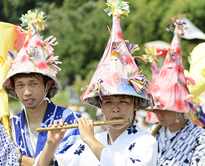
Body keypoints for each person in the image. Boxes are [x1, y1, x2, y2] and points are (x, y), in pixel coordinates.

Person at [35, 1, 157, 165]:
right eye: (108, 102)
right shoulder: (91, 142)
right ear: (100, 105)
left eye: (123, 101)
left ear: (135, 104)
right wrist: (51, 145)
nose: (115, 108)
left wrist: (90, 140)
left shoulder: (145, 141)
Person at [2, 10, 82, 166]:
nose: (26, 92)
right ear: (13, 88)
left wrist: (20, 159)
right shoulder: (9, 126)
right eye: (20, 85)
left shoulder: (70, 120)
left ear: (48, 84)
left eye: (33, 83)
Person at [146, 18, 205, 165]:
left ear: (179, 108)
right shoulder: (150, 134)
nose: (159, 114)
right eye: (156, 108)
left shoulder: (199, 137)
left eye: (165, 109)